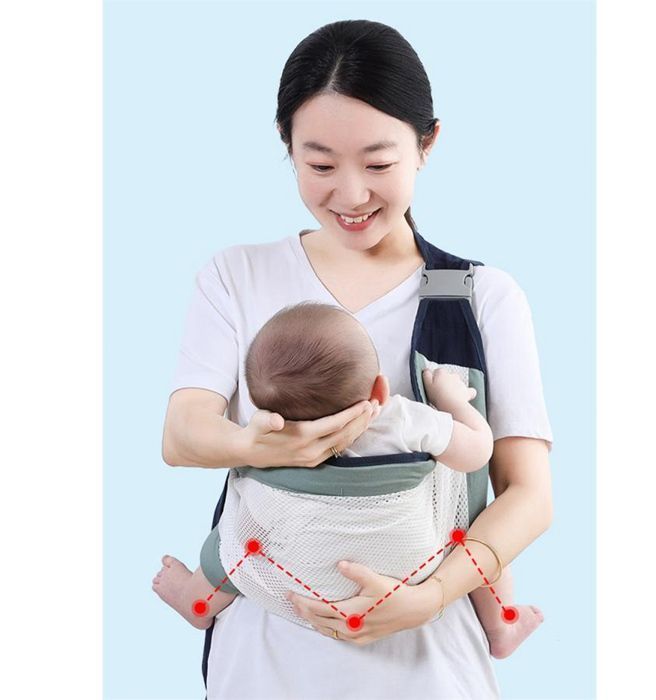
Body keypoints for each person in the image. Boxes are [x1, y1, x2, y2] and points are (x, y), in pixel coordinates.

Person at [162, 19, 553, 699]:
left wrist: (430, 598)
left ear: (427, 144)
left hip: (432, 671)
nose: (350, 195)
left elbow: (530, 496)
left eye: (378, 165)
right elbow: (181, 435)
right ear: (286, 144)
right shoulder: (238, 276)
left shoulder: (477, 295)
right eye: (319, 165)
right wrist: (263, 446)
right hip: (262, 669)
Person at [156, 302, 542, 659]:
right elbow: (477, 452)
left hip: (294, 573)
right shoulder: (401, 418)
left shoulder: (267, 437)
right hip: (415, 566)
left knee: (230, 546)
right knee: (474, 527)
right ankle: (500, 626)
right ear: (380, 389)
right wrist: (452, 401)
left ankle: (194, 602)